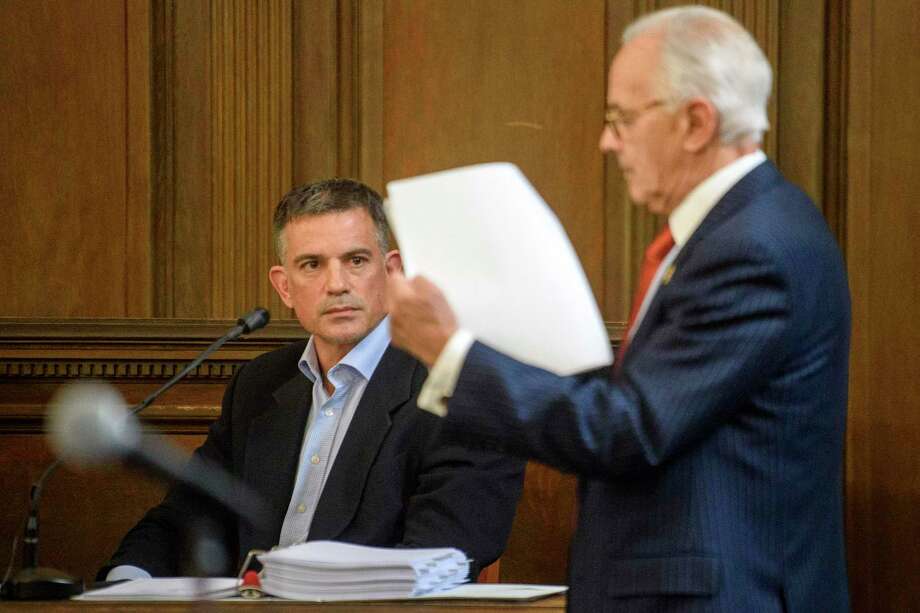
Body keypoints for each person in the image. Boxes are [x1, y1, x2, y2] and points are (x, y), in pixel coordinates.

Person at [387, 6, 850, 611]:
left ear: (695, 122)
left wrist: (449, 352)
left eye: (622, 118)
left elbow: (630, 430)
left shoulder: (753, 247)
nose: (608, 140)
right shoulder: (739, 231)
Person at [101, 178, 524, 581]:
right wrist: (125, 581)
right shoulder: (260, 384)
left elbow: (440, 554)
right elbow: (189, 512)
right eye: (312, 265)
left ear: (391, 271)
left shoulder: (455, 385)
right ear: (284, 287)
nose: (336, 284)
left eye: (356, 261)